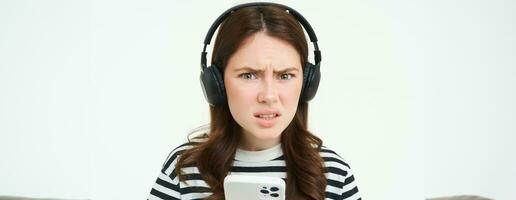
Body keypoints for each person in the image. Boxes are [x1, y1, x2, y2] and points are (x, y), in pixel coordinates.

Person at [148, 2, 360, 200]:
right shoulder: (184, 170)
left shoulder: (333, 173)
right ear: (217, 84)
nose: (268, 96)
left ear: (307, 83)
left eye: (285, 75)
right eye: (249, 75)